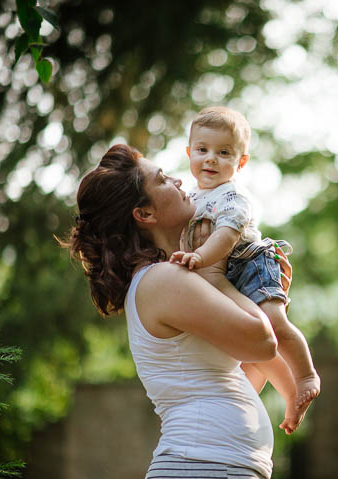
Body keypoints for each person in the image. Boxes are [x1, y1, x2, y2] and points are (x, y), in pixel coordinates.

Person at [61, 144, 298, 479]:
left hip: (215, 465)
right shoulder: (164, 280)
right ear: (144, 214)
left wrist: (266, 298)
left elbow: (239, 375)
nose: (178, 181)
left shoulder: (172, 278)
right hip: (201, 465)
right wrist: (220, 276)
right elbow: (263, 342)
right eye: (162, 180)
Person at [170, 106, 321, 419]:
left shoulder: (233, 195)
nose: (211, 158)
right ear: (189, 153)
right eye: (202, 149)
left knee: (274, 324)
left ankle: (305, 375)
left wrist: (198, 257)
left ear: (240, 162)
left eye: (223, 152)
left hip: (252, 263)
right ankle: (249, 404)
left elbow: (225, 235)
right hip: (223, 269)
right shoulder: (192, 196)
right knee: (247, 350)